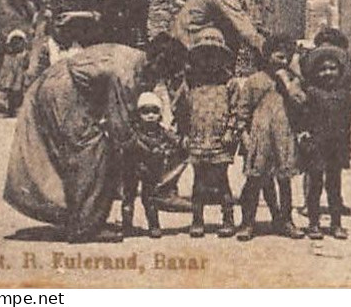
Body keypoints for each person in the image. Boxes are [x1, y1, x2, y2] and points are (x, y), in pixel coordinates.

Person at [2, 12, 181, 243]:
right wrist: (150, 150)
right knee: (90, 152)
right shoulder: (125, 74)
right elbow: (121, 128)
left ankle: (81, 217)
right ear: (156, 63)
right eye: (163, 73)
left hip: (66, 87)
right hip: (63, 90)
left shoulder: (136, 59)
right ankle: (84, 227)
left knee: (91, 149)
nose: (161, 80)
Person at [231, 34, 306, 240]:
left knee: (284, 181)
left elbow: (300, 104)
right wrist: (244, 136)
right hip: (259, 138)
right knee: (254, 182)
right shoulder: (254, 81)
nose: (282, 60)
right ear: (267, 55)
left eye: (286, 57)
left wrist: (288, 82)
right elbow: (242, 112)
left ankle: (286, 220)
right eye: (278, 55)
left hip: (283, 137)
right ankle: (247, 222)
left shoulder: (293, 82)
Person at [180, 30, 239, 238]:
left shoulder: (229, 83)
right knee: (199, 182)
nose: (209, 60)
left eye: (214, 55)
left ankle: (228, 218)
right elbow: (183, 111)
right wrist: (184, 133)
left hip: (220, 139)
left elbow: (236, 110)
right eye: (204, 55)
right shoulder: (191, 83)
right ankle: (197, 219)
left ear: (222, 58)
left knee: (222, 180)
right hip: (198, 138)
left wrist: (231, 131)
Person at [300, 44, 351, 240]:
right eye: (322, 69)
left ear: (340, 70)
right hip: (317, 146)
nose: (327, 73)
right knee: (315, 185)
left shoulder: (344, 95)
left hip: (337, 146)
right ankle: (314, 223)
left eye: (332, 68)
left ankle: (336, 223)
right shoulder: (312, 92)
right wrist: (305, 135)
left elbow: (348, 121)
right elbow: (303, 117)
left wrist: (347, 145)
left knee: (335, 186)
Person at [120, 92, 185, 239]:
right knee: (128, 197)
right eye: (145, 111)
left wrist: (180, 143)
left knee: (150, 198)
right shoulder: (134, 132)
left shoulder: (161, 132)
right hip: (132, 168)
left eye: (154, 111)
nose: (150, 115)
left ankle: (154, 225)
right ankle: (126, 226)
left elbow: (175, 140)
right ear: (138, 114)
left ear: (160, 114)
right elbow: (126, 144)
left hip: (150, 170)